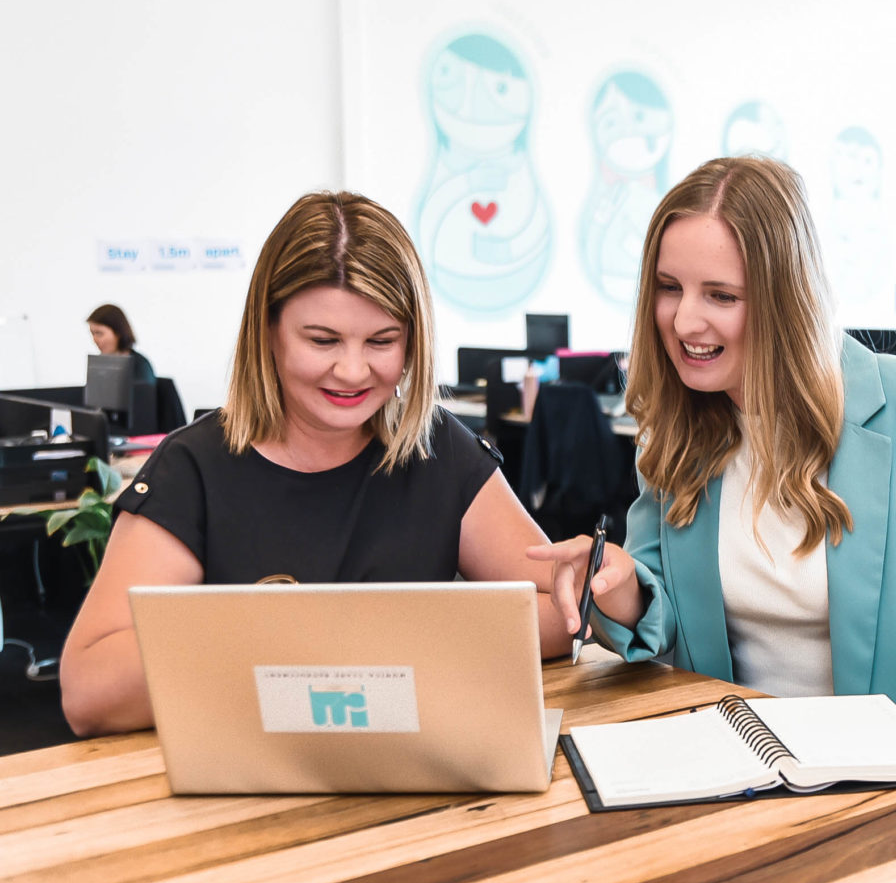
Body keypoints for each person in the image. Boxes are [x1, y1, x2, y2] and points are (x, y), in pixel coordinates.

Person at [533, 157, 896, 759]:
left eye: (721, 295)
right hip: (735, 768)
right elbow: (667, 623)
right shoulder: (676, 433)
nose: (684, 320)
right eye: (669, 287)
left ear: (785, 299)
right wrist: (619, 584)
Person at [61, 191, 572, 736]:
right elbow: (90, 689)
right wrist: (318, 643)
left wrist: (368, 642)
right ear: (269, 330)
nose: (352, 371)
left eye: (382, 341)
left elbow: (564, 608)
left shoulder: (435, 448)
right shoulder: (194, 469)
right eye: (322, 339)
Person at [87, 303, 156, 382]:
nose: (95, 340)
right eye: (92, 334)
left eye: (99, 333)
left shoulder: (140, 365)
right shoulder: (99, 367)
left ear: (118, 333)